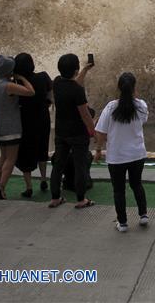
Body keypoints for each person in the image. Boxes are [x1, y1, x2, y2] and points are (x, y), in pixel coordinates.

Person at [94, 73, 149, 233]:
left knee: (119, 190)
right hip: (137, 154)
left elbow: (101, 133)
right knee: (137, 184)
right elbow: (143, 121)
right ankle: (143, 215)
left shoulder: (110, 107)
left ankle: (123, 223)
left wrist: (98, 150)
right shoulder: (141, 106)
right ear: (134, 88)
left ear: (118, 88)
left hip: (116, 157)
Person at [48, 53, 98, 209]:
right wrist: (94, 132)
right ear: (75, 70)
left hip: (61, 133)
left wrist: (85, 70)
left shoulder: (56, 83)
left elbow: (74, 83)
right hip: (78, 134)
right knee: (80, 166)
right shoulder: (77, 91)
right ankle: (81, 199)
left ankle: (55, 198)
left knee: (58, 165)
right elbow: (85, 115)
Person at [0, 55, 35, 200]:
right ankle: (0, 188)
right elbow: (31, 92)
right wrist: (22, 78)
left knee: (3, 156)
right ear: (10, 71)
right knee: (11, 159)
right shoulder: (9, 86)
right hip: (10, 127)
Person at [13, 53, 53, 198]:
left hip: (25, 120)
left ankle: (29, 186)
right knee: (42, 148)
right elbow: (50, 94)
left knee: (25, 151)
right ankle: (43, 179)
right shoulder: (43, 77)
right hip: (43, 118)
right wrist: (47, 104)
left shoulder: (16, 83)